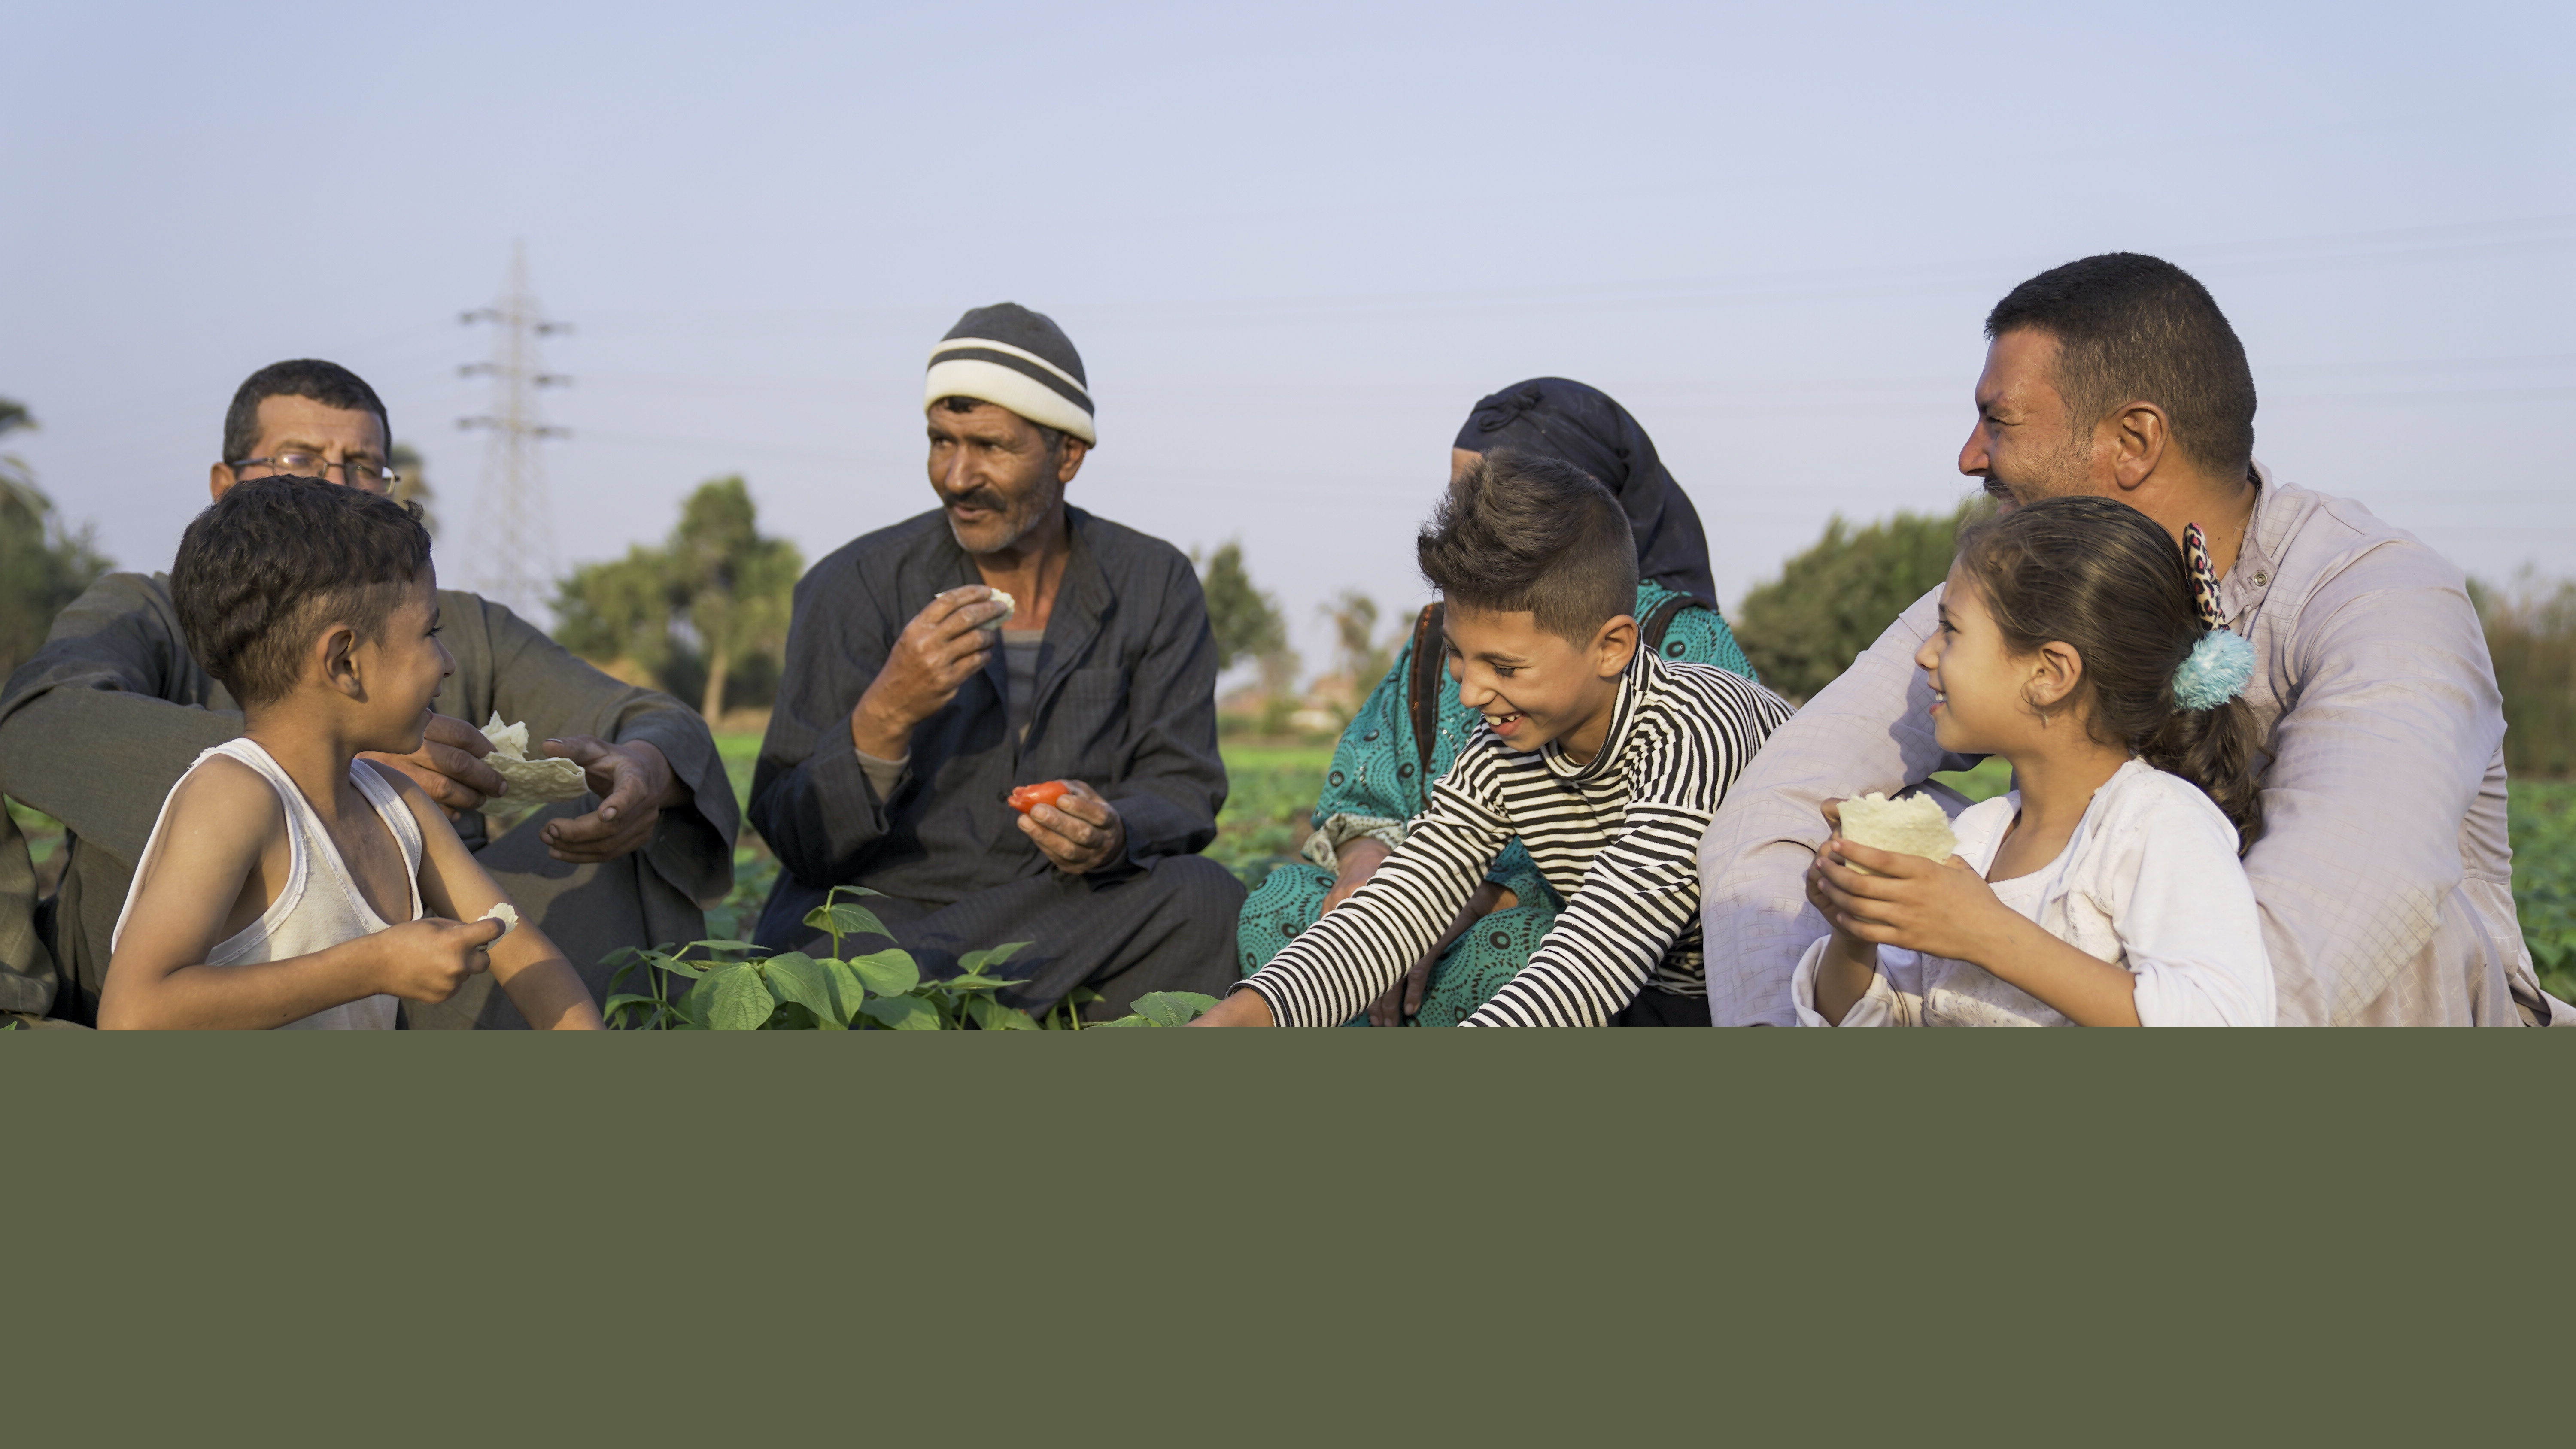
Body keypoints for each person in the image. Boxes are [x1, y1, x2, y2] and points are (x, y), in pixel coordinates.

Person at [1703, 252, 2568, 1028]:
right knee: (1908, 845)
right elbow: (1779, 805)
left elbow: (2331, 935)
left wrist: (1993, 933)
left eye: (1998, 420)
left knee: (2402, 932)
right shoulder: (2006, 593)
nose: (1969, 457)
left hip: (2341, 1021)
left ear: (2134, 441)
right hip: (2115, 1007)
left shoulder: (2377, 596)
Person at [0, 360, 737, 1027]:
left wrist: (643, 770)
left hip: (433, 988)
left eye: (364, 466)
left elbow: (644, 719)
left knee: (636, 834)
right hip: (198, 999)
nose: (334, 482)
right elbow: (38, 719)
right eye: (299, 458)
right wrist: (296, 769)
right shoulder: (149, 612)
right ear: (225, 486)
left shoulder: (444, 622)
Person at [749, 303, 1239, 1022]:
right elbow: (794, 835)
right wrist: (887, 710)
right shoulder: (852, 585)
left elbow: (1183, 784)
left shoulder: (1152, 582)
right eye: (940, 441)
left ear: (1067, 454)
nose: (956, 476)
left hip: (1059, 910)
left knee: (1208, 900)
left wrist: (1114, 831)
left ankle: (952, 1016)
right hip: (891, 922)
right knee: (822, 955)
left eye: (990, 446)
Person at [1201, 449, 1794, 1028]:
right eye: (1458, 655)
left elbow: (1596, 958)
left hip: (1778, 989)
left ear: (1612, 646)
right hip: (1647, 983)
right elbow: (1405, 901)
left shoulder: (1694, 733)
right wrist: (1240, 1017)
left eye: (1505, 668)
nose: (1471, 694)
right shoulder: (1503, 746)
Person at [102, 477, 601, 1030]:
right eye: (430, 632)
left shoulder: (400, 805)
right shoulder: (235, 797)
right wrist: (371, 967)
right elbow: (132, 1016)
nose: (448, 662)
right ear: (343, 662)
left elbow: (520, 947)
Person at [1798, 496, 2274, 1027]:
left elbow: (2220, 1021)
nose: (1925, 654)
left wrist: (1986, 933)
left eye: (1950, 630)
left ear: (2050, 674)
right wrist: (1856, 927)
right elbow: (1881, 1021)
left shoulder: (2158, 822)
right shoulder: (1981, 833)